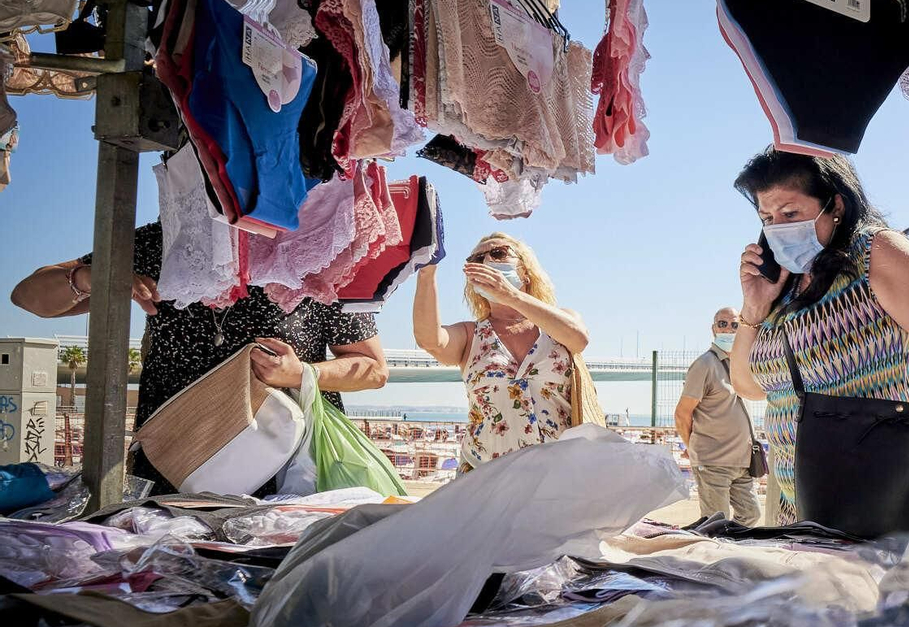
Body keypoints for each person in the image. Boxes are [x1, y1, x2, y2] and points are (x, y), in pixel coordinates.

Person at [11, 222, 388, 495]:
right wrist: (90, 278)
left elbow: (373, 369)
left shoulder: (316, 251)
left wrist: (302, 373)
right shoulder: (164, 241)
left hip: (288, 473)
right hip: (176, 462)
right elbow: (27, 297)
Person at [727, 148, 909, 525]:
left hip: (881, 504)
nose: (778, 228)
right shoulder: (781, 288)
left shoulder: (873, 252)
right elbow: (749, 386)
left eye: (790, 213)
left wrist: (902, 454)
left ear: (835, 205)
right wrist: (753, 309)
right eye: (767, 217)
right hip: (800, 511)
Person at [412, 232, 601, 470]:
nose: (487, 262)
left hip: (560, 476)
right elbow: (430, 340)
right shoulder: (471, 335)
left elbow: (579, 338)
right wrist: (427, 271)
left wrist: (512, 296)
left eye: (498, 253)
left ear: (524, 271)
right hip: (486, 476)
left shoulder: (557, 323)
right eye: (476, 260)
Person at [675, 307, 761, 525]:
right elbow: (682, 414)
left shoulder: (743, 365)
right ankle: (712, 557)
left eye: (734, 325)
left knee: (751, 515)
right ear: (714, 329)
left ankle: (730, 553)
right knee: (716, 523)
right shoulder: (704, 365)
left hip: (742, 461)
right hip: (713, 462)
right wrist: (693, 447)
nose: (729, 329)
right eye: (723, 324)